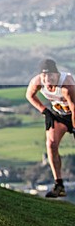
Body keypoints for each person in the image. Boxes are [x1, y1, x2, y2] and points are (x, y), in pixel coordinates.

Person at [25, 58, 74, 198]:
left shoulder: (67, 85)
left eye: (51, 75)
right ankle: (59, 185)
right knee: (51, 144)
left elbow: (74, 108)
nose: (47, 79)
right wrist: (45, 111)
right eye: (44, 75)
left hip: (74, 112)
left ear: (57, 74)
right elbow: (29, 95)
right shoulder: (37, 82)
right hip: (60, 115)